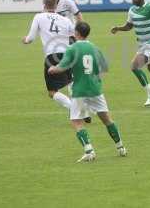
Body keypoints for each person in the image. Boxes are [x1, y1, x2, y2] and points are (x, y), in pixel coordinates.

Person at [48, 22, 127, 162]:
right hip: (95, 89)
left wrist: (52, 69)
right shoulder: (95, 48)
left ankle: (89, 151)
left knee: (76, 121)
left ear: (76, 33)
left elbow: (62, 67)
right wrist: (95, 79)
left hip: (79, 90)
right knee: (107, 119)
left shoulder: (72, 49)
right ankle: (121, 147)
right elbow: (103, 69)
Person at [22, 0, 76, 115]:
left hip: (52, 56)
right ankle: (80, 108)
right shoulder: (65, 20)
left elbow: (30, 38)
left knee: (52, 91)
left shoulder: (39, 16)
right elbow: (74, 36)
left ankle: (73, 108)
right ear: (56, 6)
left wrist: (25, 40)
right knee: (71, 82)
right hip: (67, 54)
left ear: (44, 6)